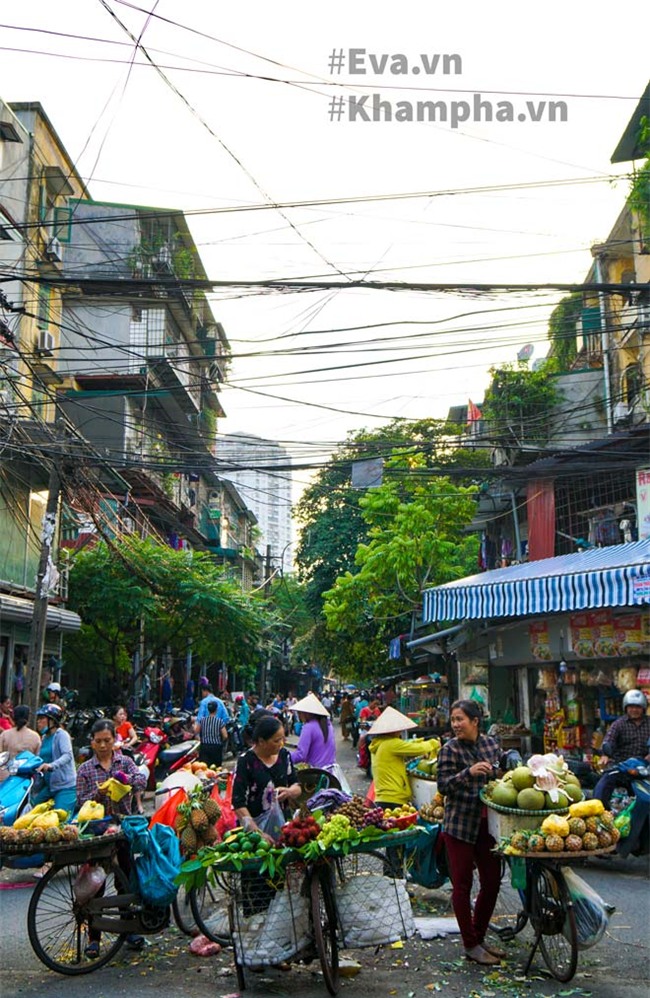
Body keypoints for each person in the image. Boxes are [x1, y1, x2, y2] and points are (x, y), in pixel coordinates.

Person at [436, 699, 503, 967]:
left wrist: (497, 770)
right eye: (453, 720)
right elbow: (443, 786)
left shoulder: (490, 744)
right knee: (461, 885)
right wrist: (468, 772)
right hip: (459, 826)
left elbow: (501, 774)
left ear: (475, 721)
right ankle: (470, 944)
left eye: (460, 719)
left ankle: (479, 934)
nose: (455, 725)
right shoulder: (449, 750)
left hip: (487, 824)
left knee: (492, 881)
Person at [76, 719, 147, 958]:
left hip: (122, 829)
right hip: (96, 834)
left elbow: (141, 779)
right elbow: (80, 802)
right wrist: (98, 793)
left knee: (125, 881)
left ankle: (129, 930)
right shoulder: (85, 769)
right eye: (99, 741)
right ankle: (93, 938)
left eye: (107, 740)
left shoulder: (124, 761)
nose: (104, 745)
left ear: (114, 740)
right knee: (95, 886)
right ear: (92, 742)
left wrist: (124, 781)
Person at [232, 714, 301, 836]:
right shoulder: (246, 762)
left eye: (282, 739)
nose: (281, 744)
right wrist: (257, 833)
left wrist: (289, 792)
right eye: (276, 740)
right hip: (254, 833)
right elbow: (238, 803)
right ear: (261, 741)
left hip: (284, 827)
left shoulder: (284, 755)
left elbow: (296, 785)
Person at [368, 706, 440, 809]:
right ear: (393, 730)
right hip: (394, 798)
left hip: (382, 797)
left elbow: (406, 744)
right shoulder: (391, 744)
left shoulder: (378, 744)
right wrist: (434, 743)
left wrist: (423, 739)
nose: (400, 732)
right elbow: (418, 749)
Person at [593, 690, 650, 808]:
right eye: (631, 707)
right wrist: (605, 754)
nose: (634, 710)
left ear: (643, 708)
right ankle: (599, 811)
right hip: (622, 766)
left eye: (638, 707)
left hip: (644, 767)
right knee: (604, 783)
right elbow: (609, 740)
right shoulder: (618, 724)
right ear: (626, 708)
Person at [32, 704, 77, 816]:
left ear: (52, 721)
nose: (38, 722)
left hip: (65, 787)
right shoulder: (44, 738)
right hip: (50, 786)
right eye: (38, 719)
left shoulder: (62, 735)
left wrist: (51, 765)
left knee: (60, 818)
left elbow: (67, 756)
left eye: (42, 718)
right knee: (32, 809)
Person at [112, 706, 144, 814]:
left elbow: (134, 737)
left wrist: (127, 745)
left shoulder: (126, 725)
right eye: (120, 714)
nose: (123, 716)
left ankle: (139, 804)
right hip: (114, 755)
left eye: (124, 714)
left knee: (134, 777)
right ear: (114, 716)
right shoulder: (109, 728)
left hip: (125, 752)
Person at [195, 698, 227, 768]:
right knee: (216, 768)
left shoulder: (202, 721)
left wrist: (200, 739)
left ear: (208, 710)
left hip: (204, 747)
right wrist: (221, 742)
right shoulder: (219, 721)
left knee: (204, 768)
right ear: (216, 709)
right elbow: (225, 736)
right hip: (216, 748)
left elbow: (196, 731)